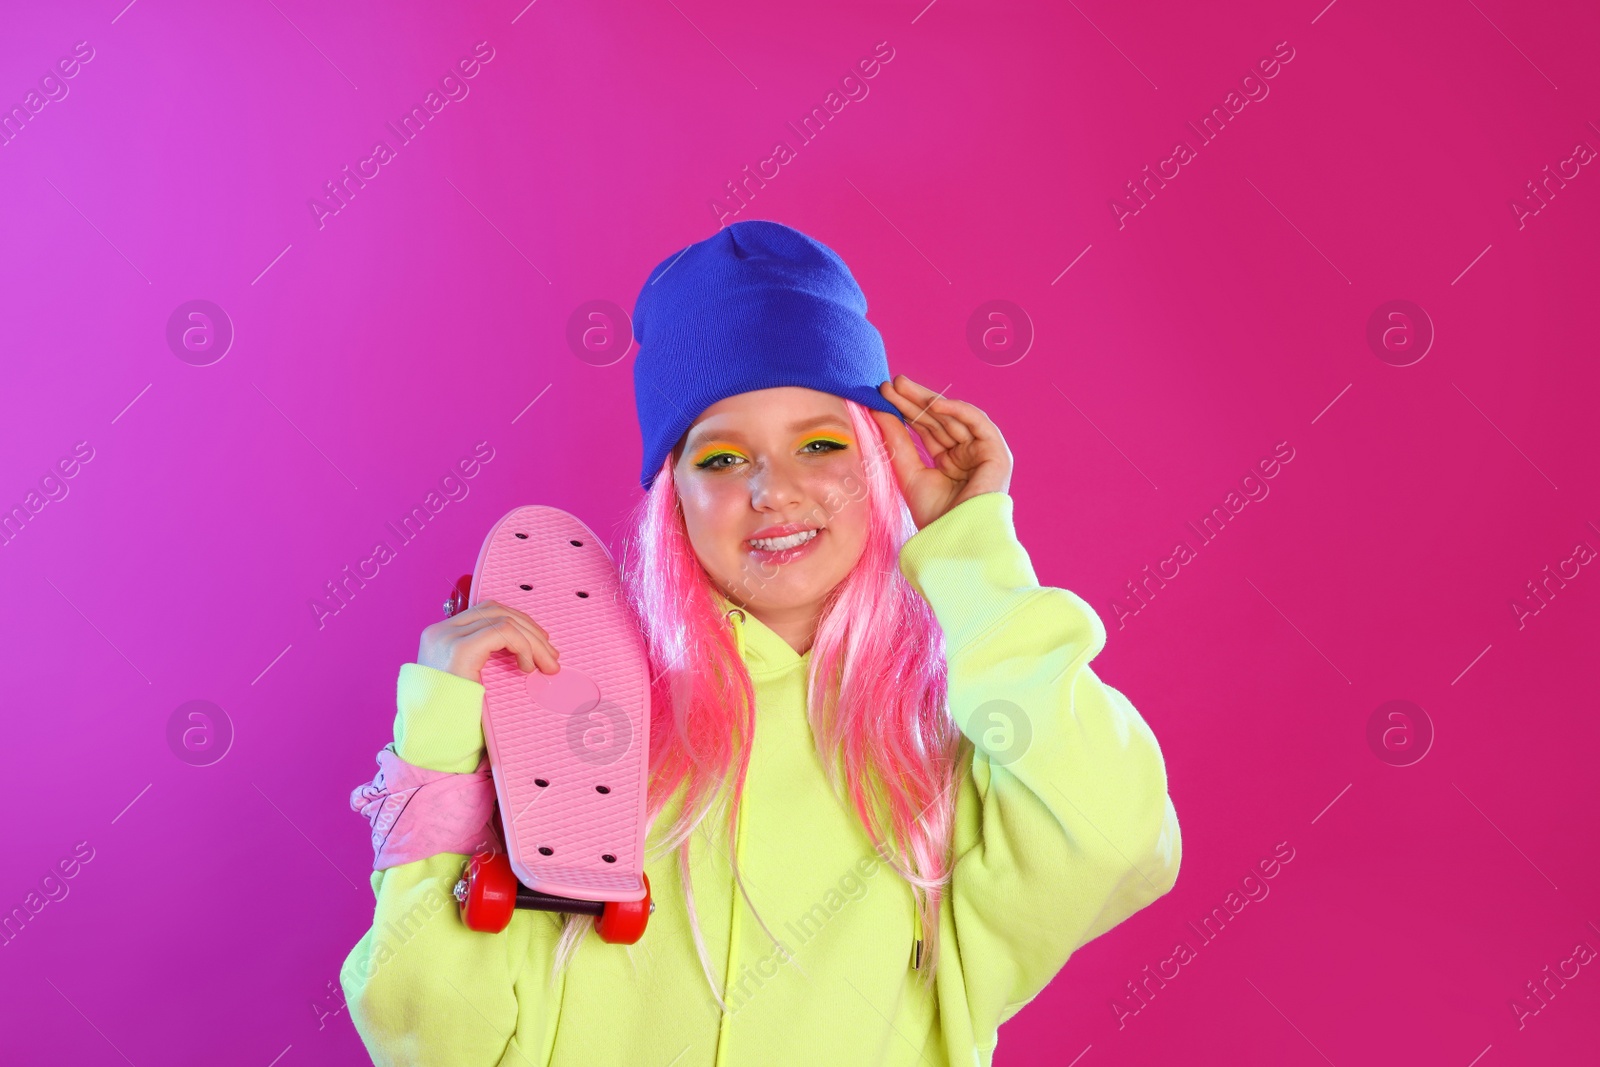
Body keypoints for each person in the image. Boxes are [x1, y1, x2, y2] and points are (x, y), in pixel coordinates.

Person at [340, 220, 1181, 1066]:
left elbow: (1114, 832)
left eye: (820, 444)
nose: (774, 490)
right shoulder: (576, 720)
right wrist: (440, 756)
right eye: (721, 458)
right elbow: (430, 1044)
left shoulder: (949, 751)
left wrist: (972, 549)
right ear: (674, 496)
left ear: (880, 462)